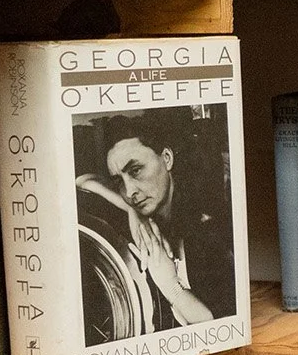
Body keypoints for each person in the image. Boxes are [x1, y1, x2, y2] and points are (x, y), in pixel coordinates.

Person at [81, 114, 236, 333]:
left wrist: (170, 284)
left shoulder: (208, 233)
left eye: (135, 171)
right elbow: (84, 180)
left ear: (167, 158)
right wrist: (132, 211)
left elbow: (218, 326)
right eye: (119, 181)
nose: (130, 191)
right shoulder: (144, 213)